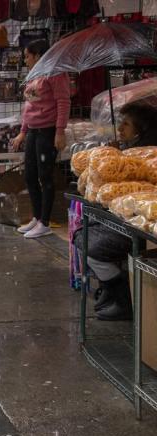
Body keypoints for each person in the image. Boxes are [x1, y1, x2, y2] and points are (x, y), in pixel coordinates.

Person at [87, 102, 157, 321]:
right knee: (84, 235)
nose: (120, 129)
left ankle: (123, 300)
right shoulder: (129, 153)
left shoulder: (147, 157)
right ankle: (112, 293)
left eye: (126, 124)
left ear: (141, 128)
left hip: (138, 225)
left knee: (91, 246)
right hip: (123, 218)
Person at [10, 39, 71, 240]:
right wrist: (23, 131)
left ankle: (45, 222)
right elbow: (30, 106)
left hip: (48, 130)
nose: (25, 60)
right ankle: (36, 217)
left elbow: (63, 102)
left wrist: (59, 131)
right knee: (29, 175)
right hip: (34, 131)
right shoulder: (34, 74)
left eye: (28, 55)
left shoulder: (55, 73)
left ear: (38, 55)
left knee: (45, 177)